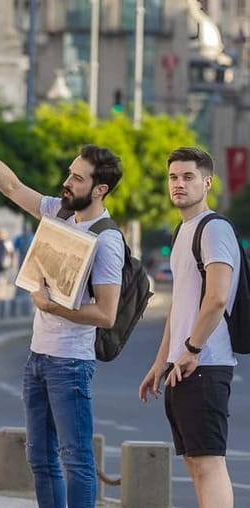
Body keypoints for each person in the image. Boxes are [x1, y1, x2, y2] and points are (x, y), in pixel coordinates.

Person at [0, 137, 123, 508]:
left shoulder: (108, 240)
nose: (67, 182)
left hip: (71, 362)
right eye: (69, 173)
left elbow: (106, 313)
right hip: (38, 357)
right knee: (39, 457)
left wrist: (52, 307)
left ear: (100, 189)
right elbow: (12, 187)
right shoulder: (61, 214)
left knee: (76, 458)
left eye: (78, 178)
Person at [139, 147, 237, 508]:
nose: (178, 184)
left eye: (188, 177)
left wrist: (192, 350)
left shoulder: (214, 230)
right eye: (173, 177)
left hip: (206, 365)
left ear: (207, 182)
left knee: (209, 463)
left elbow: (217, 298)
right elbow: (179, 308)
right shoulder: (184, 230)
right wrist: (160, 362)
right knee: (195, 463)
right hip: (183, 367)